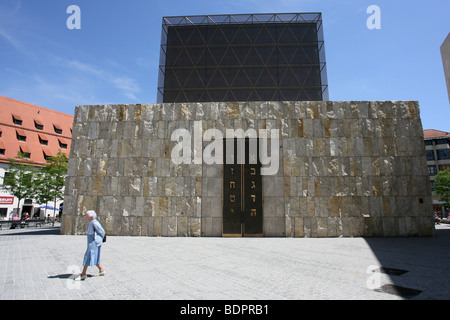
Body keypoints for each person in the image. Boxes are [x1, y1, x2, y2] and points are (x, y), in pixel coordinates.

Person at [75, 210, 106, 281]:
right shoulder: (91, 222)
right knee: (95, 256)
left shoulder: (94, 223)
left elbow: (102, 231)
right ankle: (101, 270)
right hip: (92, 241)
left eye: (87, 216)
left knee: (88, 256)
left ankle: (83, 274)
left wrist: (98, 239)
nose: (86, 217)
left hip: (94, 242)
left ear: (91, 217)